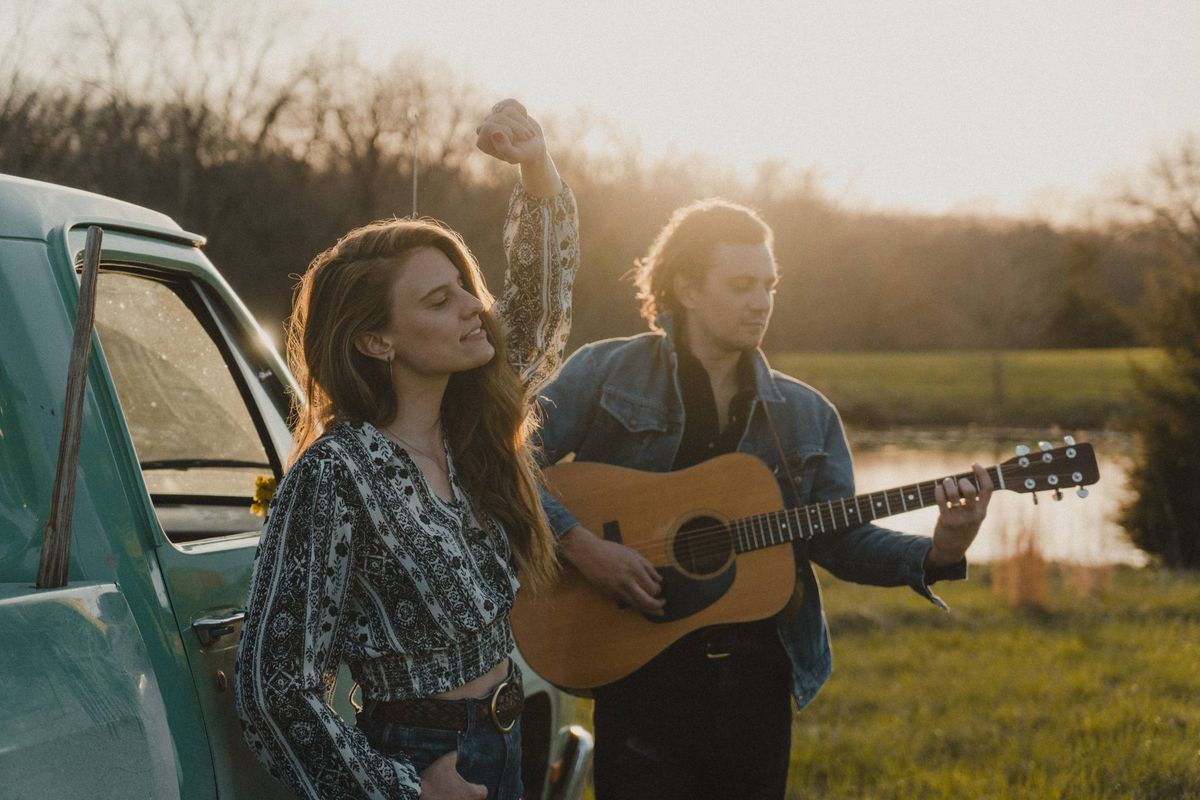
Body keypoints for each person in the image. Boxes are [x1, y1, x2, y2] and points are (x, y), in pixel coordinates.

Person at [536, 198, 993, 800]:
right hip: (640, 669)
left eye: (770, 286)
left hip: (758, 682)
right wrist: (582, 546)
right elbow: (504, 461)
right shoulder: (606, 373)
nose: (761, 302)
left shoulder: (804, 415)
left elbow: (836, 538)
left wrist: (938, 549)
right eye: (742, 285)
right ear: (687, 288)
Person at [235, 99, 578, 800]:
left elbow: (538, 308)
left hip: (504, 739)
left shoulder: (468, 429)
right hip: (423, 761)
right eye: (437, 301)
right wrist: (404, 792)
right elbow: (276, 686)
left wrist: (535, 167)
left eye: (464, 290)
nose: (473, 309)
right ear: (376, 341)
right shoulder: (337, 474)